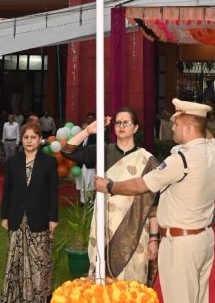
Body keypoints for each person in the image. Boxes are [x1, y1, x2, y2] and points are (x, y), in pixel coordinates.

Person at [95, 97, 215, 303]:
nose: (172, 127)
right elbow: (206, 136)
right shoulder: (211, 150)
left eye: (176, 123)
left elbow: (141, 185)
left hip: (181, 244)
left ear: (189, 125)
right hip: (204, 239)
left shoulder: (182, 158)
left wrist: (108, 185)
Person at [63, 108, 159, 282]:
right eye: (118, 122)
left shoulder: (147, 160)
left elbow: (152, 205)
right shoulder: (103, 152)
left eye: (126, 122)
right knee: (104, 283)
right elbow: (67, 151)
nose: (121, 126)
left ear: (135, 128)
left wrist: (154, 238)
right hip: (104, 228)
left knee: (132, 286)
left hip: (134, 231)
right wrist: (88, 131)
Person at [0, 120, 59, 303]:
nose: (29, 140)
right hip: (16, 218)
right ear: (21, 139)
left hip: (40, 218)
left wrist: (54, 218)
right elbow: (6, 191)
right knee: (14, 263)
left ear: (40, 139)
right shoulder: (13, 161)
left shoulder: (49, 162)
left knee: (39, 264)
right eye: (26, 137)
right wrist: (4, 215)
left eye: (33, 137)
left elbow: (53, 193)